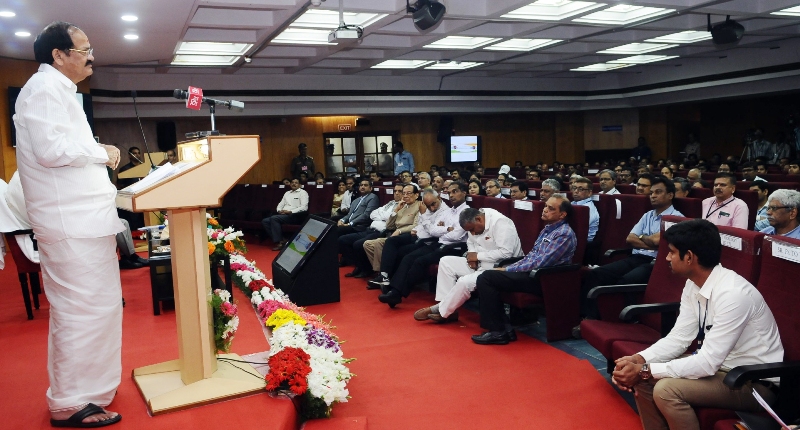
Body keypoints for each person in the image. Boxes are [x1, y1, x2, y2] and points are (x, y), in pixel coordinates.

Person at [14, 21, 124, 427]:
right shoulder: (42, 90)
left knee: (100, 309)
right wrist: (101, 151)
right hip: (69, 222)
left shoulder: (60, 91)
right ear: (58, 56)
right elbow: (51, 149)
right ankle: (69, 402)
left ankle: (93, 389)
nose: (91, 56)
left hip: (84, 221)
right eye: (84, 49)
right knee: (80, 312)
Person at [611, 219, 783, 430]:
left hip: (752, 383)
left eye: (672, 252)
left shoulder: (733, 294)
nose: (666, 257)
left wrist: (644, 369)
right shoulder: (693, 284)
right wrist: (638, 359)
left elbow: (707, 362)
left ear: (690, 257)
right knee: (644, 379)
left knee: (666, 389)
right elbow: (678, 339)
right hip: (721, 370)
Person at [577, 176, 683, 332]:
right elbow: (630, 239)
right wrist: (649, 240)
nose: (652, 195)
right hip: (636, 257)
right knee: (597, 274)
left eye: (658, 192)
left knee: (627, 280)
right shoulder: (647, 215)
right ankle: (589, 318)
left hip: (655, 262)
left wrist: (646, 240)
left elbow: (657, 242)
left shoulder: (676, 218)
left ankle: (621, 323)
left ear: (670, 195)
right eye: (651, 192)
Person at [472, 195, 577, 345]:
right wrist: (509, 268)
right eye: (546, 206)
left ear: (562, 214)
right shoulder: (547, 229)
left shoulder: (564, 234)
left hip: (545, 279)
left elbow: (541, 262)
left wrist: (508, 269)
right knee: (488, 276)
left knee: (487, 278)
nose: (545, 210)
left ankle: (498, 331)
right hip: (532, 274)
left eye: (551, 208)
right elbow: (531, 257)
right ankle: (504, 329)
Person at [414, 207, 523, 324]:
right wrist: (471, 255)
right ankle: (449, 310)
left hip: (499, 267)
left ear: (479, 219)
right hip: (480, 263)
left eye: (472, 229)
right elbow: (470, 242)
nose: (472, 233)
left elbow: (506, 252)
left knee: (464, 282)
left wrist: (477, 256)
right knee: (446, 262)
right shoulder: (474, 221)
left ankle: (442, 310)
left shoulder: (501, 223)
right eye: (468, 231)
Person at [378, 181, 469, 307]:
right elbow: (433, 230)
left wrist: (441, 230)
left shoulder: (466, 211)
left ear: (464, 193)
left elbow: (456, 236)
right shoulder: (449, 212)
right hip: (438, 243)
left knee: (419, 261)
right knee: (408, 257)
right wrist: (447, 229)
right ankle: (394, 290)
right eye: (449, 193)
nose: (452, 195)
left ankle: (397, 294)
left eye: (455, 191)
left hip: (452, 248)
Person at [365, 189, 443, 289]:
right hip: (406, 233)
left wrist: (402, 231)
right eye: (404, 193)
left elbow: (429, 229)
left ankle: (387, 278)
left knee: (392, 247)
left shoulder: (421, 206)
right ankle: (384, 276)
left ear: (416, 195)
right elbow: (389, 225)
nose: (405, 196)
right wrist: (396, 210)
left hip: (419, 237)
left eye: (409, 193)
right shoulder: (403, 205)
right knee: (383, 243)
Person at [341, 183, 406, 278]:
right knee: (343, 239)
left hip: (382, 232)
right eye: (395, 191)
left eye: (400, 191)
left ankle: (366, 269)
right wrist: (385, 216)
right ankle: (359, 265)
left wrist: (383, 215)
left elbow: (391, 218)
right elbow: (373, 214)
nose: (396, 193)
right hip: (370, 229)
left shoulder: (403, 206)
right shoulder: (391, 203)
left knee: (358, 244)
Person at [262, 178, 309, 250]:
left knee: (274, 218)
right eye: (292, 182)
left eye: (296, 183)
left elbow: (304, 208)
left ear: (300, 185)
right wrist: (279, 210)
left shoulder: (303, 193)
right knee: (265, 221)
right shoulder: (287, 193)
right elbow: (281, 204)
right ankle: (283, 240)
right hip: (283, 215)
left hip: (295, 216)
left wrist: (290, 212)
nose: (294, 184)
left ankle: (280, 242)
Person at [570, 177, 599, 241]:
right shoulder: (573, 203)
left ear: (589, 193)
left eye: (580, 189)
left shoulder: (588, 208)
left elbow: (577, 229)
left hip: (583, 243)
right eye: (574, 188)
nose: (576, 191)